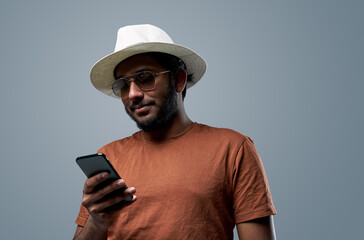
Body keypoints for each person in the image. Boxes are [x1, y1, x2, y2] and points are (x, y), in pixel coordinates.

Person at [73, 24, 277, 240]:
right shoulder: (110, 156)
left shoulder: (233, 148)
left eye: (145, 78)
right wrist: (96, 222)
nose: (132, 94)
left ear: (178, 79)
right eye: (123, 84)